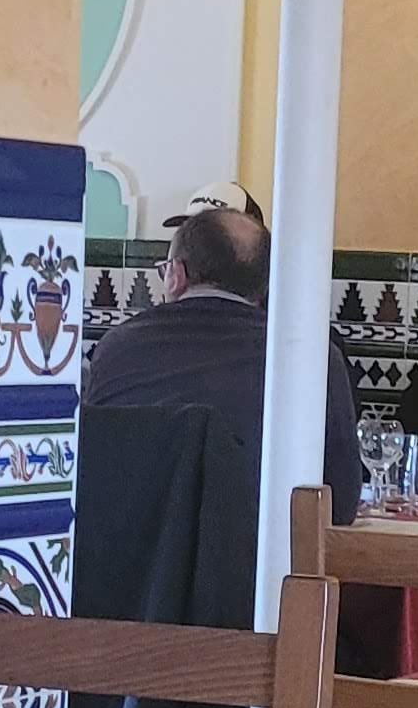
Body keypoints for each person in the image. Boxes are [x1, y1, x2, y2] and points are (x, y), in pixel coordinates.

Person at [82, 190, 366, 525]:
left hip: (135, 553)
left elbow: (91, 476)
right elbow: (341, 502)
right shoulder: (311, 356)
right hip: (262, 556)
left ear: (176, 275)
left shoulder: (116, 348)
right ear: (265, 284)